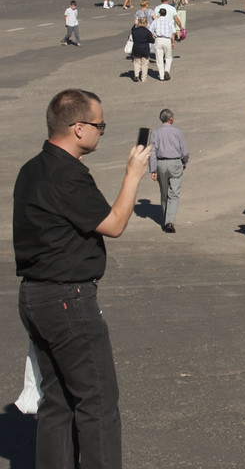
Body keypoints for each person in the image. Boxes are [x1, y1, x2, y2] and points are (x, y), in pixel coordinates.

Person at [15, 89, 152, 468]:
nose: (101, 132)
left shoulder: (32, 168)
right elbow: (114, 224)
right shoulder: (67, 175)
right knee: (98, 403)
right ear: (78, 129)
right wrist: (133, 175)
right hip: (66, 299)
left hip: (35, 296)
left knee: (56, 400)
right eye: (99, 125)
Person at [148, 109, 189, 234]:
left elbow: (152, 152)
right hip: (175, 162)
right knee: (174, 193)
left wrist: (152, 169)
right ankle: (169, 221)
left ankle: (167, 219)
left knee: (164, 192)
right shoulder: (177, 132)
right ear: (171, 119)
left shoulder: (155, 132)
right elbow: (184, 150)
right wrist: (185, 162)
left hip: (160, 163)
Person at [149, 7, 176, 81]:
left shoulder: (155, 21)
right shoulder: (169, 21)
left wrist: (154, 36)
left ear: (159, 14)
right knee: (168, 57)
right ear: (166, 14)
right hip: (167, 39)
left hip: (158, 39)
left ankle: (161, 76)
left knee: (159, 58)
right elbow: (173, 33)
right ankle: (167, 70)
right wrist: (173, 42)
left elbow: (150, 30)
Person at [130, 17, 154, 82]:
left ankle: (136, 75)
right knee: (144, 64)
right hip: (145, 48)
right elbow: (152, 41)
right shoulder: (147, 31)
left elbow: (132, 34)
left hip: (136, 48)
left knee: (137, 62)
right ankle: (143, 78)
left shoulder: (135, 31)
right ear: (146, 23)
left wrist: (135, 24)